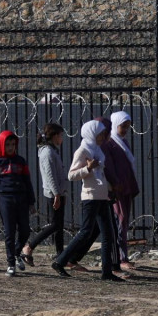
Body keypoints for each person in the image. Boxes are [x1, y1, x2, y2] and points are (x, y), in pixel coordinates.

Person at [51, 120, 125, 282]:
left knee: (108, 235)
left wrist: (111, 188)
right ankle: (60, 261)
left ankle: (106, 272)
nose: (103, 137)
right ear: (92, 133)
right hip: (90, 197)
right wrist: (88, 168)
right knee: (85, 232)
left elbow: (102, 173)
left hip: (102, 196)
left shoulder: (97, 149)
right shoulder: (83, 150)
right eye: (100, 134)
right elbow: (71, 175)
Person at [0, 130, 36, 277]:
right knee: (9, 233)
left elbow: (28, 182)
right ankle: (11, 263)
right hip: (5, 200)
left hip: (21, 199)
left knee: (25, 230)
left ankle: (16, 252)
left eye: (13, 144)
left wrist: (31, 202)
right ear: (1, 144)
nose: (10, 147)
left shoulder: (21, 161)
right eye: (7, 144)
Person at [20, 123, 67, 265]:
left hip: (59, 192)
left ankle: (60, 255)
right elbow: (50, 176)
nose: (62, 138)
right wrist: (57, 194)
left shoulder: (52, 151)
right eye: (60, 135)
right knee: (55, 224)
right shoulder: (47, 152)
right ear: (54, 136)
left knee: (59, 225)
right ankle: (29, 247)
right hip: (54, 194)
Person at [107, 111, 140, 270]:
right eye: (123, 126)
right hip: (117, 188)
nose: (126, 129)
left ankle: (123, 256)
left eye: (127, 126)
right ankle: (121, 257)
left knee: (124, 221)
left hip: (126, 186)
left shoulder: (123, 142)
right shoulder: (111, 143)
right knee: (120, 220)